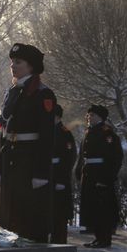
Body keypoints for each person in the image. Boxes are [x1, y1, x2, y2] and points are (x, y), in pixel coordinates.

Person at [0, 43, 57, 243]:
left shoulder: (42, 93)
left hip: (29, 162)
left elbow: (46, 136)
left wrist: (40, 173)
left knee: (28, 219)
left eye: (18, 62)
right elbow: (3, 132)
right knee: (9, 216)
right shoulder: (12, 92)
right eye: (12, 62)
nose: (13, 66)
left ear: (31, 66)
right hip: (11, 160)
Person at [75, 104, 123, 248]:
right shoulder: (89, 132)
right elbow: (82, 155)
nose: (89, 117)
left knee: (103, 208)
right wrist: (78, 171)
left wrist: (106, 178)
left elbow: (115, 157)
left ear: (101, 117)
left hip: (101, 174)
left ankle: (105, 238)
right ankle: (97, 237)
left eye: (93, 115)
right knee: (92, 207)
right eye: (88, 115)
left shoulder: (107, 133)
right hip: (89, 173)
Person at [51, 104, 77, 244]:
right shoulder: (47, 130)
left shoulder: (64, 132)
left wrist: (61, 180)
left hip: (59, 176)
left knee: (59, 214)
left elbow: (69, 158)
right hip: (48, 175)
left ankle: (60, 240)